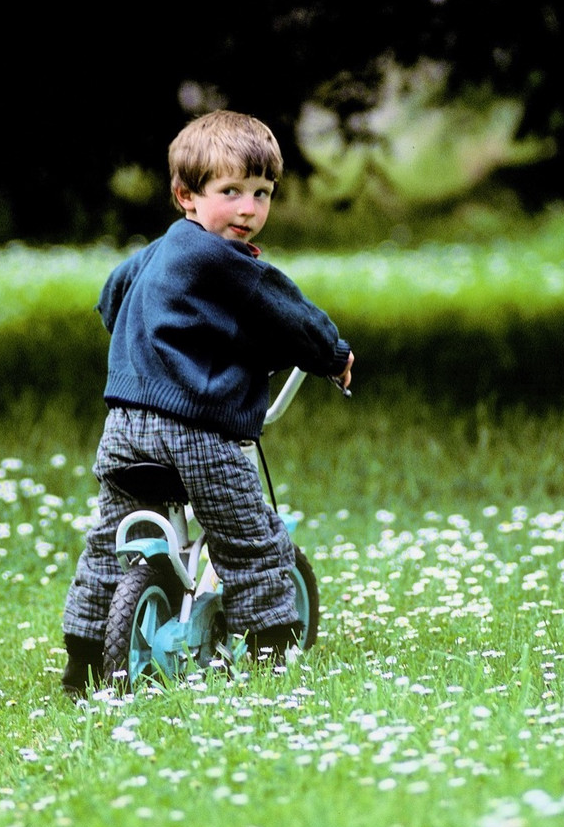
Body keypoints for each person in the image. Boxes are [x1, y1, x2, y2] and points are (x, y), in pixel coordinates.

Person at [60, 110, 354, 697]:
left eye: (262, 193)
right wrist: (333, 354)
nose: (249, 210)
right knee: (250, 539)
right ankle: (272, 652)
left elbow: (110, 296)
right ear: (185, 196)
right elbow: (285, 309)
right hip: (195, 433)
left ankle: (86, 660)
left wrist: (145, 346)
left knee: (108, 545)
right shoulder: (229, 263)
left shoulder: (157, 253)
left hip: (123, 428)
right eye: (231, 193)